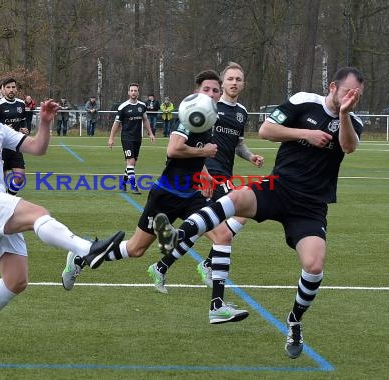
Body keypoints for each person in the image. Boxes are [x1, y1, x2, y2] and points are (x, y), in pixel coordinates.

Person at [152, 67, 365, 359]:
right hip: (279, 187)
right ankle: (178, 235)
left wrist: (343, 114)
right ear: (332, 87)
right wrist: (305, 133)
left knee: (314, 266)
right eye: (347, 92)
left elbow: (348, 147)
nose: (352, 98)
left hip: (311, 206)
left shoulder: (352, 120)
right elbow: (266, 130)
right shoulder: (304, 101)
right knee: (236, 200)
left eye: (357, 95)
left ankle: (294, 322)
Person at [0, 75, 125, 353]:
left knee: (16, 281)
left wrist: (44, 122)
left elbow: (37, 148)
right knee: (38, 213)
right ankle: (86, 249)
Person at [63, 71, 249, 324]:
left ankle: (217, 305)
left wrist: (203, 172)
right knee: (136, 249)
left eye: (216, 90)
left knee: (223, 235)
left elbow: (195, 155)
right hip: (167, 194)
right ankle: (81, 257)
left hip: (191, 194)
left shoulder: (209, 116)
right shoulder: (190, 114)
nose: (213, 94)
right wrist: (204, 151)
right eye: (208, 89)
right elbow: (173, 149)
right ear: (197, 92)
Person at [148, 62, 265, 321]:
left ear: (243, 84)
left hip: (225, 175)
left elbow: (238, 145)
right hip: (207, 176)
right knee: (233, 220)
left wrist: (251, 157)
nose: (234, 83)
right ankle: (209, 273)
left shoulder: (241, 113)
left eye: (239, 79)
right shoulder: (208, 107)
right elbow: (183, 141)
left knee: (206, 227)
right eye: (230, 79)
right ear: (222, 83)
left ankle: (163, 266)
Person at [108, 83, 156, 194]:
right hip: (126, 137)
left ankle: (123, 183)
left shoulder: (142, 106)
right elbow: (116, 123)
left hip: (137, 138)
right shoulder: (123, 107)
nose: (133, 92)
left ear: (138, 92)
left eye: (135, 90)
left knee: (133, 163)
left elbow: (145, 120)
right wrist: (111, 138)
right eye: (131, 90)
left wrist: (150, 134)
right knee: (130, 161)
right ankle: (134, 186)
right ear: (128, 92)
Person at [0, 78, 27, 195]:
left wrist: (24, 129)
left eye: (13, 87)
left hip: (15, 145)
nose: (11, 90)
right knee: (0, 180)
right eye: (8, 87)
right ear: (3, 89)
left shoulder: (21, 104)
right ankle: (1, 203)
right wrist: (4, 129)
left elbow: (23, 121)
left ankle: (9, 197)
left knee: (20, 177)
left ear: (16, 88)